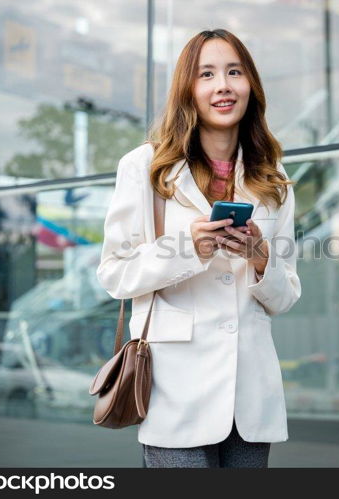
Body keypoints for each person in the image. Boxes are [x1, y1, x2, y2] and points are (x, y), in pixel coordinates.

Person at [96, 28, 301, 468]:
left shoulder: (272, 176)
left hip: (250, 399)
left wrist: (260, 259)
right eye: (206, 74)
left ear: (251, 86)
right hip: (176, 394)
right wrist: (187, 247)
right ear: (187, 89)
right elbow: (114, 273)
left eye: (234, 72)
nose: (223, 85)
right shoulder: (145, 167)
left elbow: (285, 299)